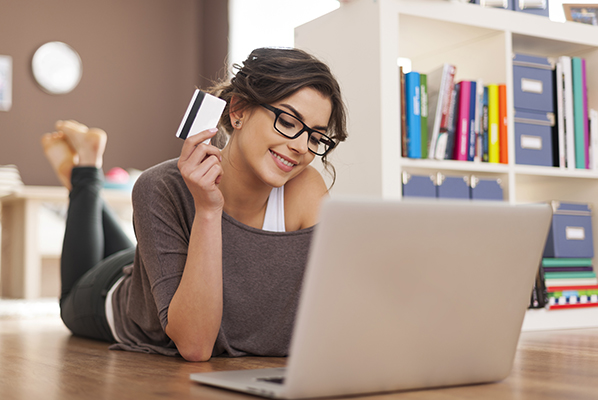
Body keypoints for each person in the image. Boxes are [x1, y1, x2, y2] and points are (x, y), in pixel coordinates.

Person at [41, 47, 348, 362]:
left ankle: (84, 175)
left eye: (315, 138)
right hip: (113, 295)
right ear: (238, 110)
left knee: (144, 257)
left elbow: (332, 312)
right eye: (287, 121)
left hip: (156, 266)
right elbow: (196, 346)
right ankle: (86, 173)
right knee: (68, 301)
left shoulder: (306, 188)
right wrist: (208, 210)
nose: (300, 147)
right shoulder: (160, 186)